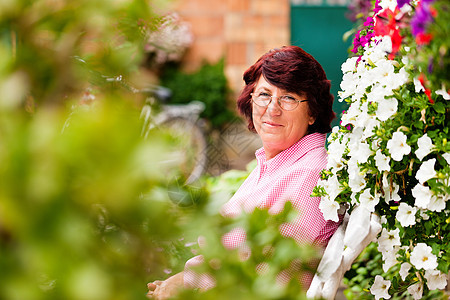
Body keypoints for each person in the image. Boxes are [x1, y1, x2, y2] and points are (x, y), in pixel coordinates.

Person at [147, 45, 340, 299]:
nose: (273, 108)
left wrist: (186, 281)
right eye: (264, 95)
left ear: (313, 111)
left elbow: (265, 271)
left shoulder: (310, 175)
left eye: (289, 97)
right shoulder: (277, 163)